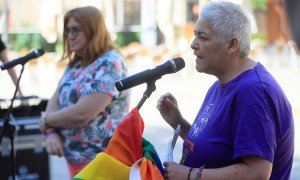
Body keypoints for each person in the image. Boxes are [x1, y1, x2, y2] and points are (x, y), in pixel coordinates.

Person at [157, 1, 294, 180]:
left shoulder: (253, 92)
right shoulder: (221, 84)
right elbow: (217, 148)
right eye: (194, 35)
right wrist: (179, 123)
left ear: (232, 45)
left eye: (203, 37)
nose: (193, 44)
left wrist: (190, 175)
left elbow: (257, 172)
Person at [38, 6, 130, 177]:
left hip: (104, 162)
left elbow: (82, 114)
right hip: (76, 160)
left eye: (76, 30)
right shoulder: (76, 63)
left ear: (93, 30)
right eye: (67, 31)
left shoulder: (110, 63)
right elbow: (55, 100)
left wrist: (45, 121)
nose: (69, 36)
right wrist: (50, 132)